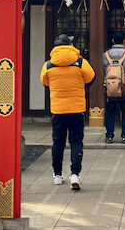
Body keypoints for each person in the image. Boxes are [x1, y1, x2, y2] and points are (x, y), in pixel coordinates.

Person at [40, 34, 95, 190]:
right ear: (70, 45)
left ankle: (57, 174)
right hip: (76, 109)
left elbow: (45, 82)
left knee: (58, 142)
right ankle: (75, 174)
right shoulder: (80, 63)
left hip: (57, 109)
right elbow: (91, 78)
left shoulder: (48, 65)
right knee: (76, 142)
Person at [102, 30, 125, 144]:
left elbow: (104, 70)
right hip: (124, 87)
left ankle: (109, 135)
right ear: (124, 41)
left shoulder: (106, 55)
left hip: (110, 87)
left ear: (112, 40)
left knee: (109, 112)